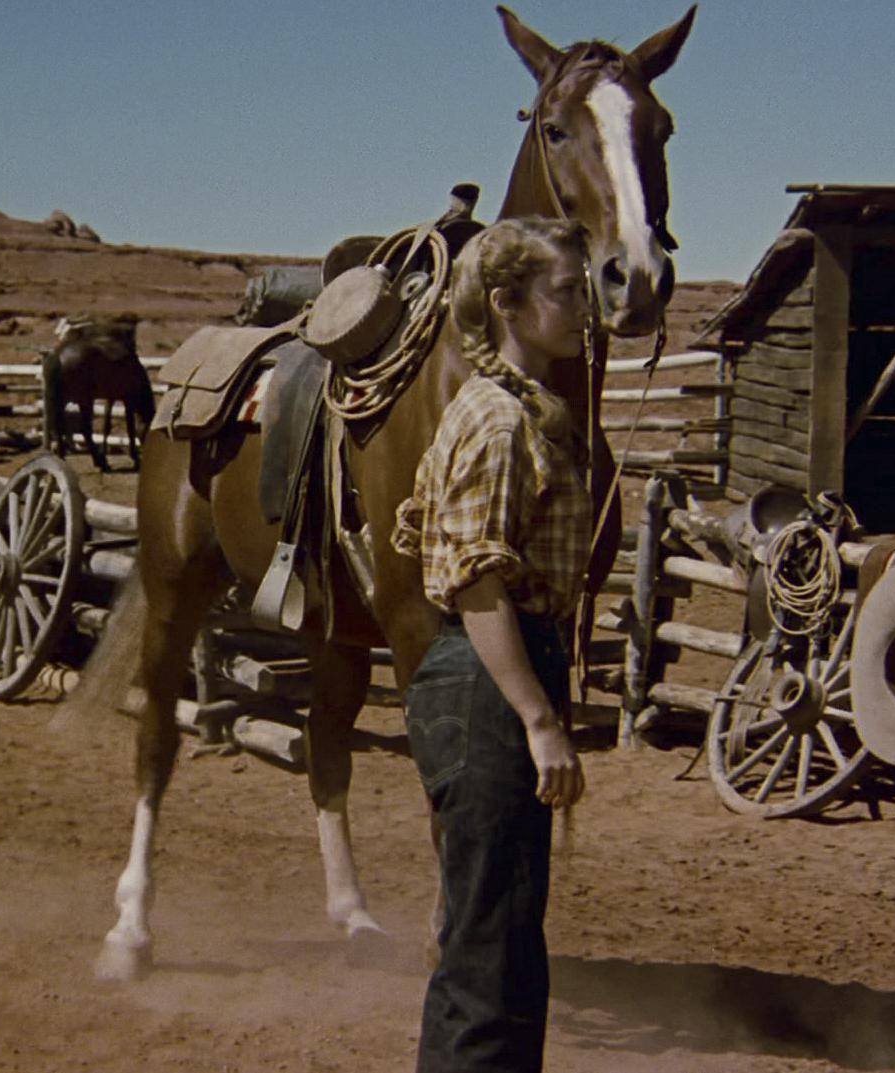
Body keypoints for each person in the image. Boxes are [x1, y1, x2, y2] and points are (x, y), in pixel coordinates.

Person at [392, 216, 594, 1073]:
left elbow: (420, 533)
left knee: (503, 938)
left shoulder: (508, 409)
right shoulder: (501, 423)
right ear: (507, 303)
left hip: (488, 672)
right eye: (566, 292)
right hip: (488, 678)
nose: (584, 308)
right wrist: (536, 717)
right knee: (488, 954)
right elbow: (476, 581)